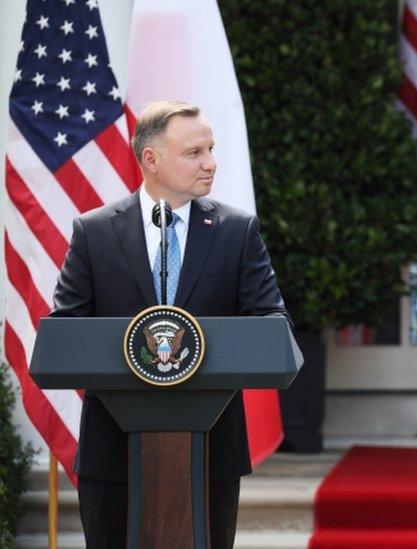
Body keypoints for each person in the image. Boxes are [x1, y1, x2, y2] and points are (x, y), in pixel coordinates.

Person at [50, 100, 289, 548]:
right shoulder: (94, 233)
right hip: (113, 453)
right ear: (151, 159)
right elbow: (66, 335)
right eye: (194, 153)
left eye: (211, 150)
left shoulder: (237, 231)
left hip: (211, 452)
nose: (210, 164)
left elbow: (271, 324)